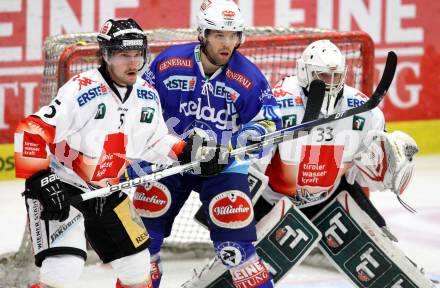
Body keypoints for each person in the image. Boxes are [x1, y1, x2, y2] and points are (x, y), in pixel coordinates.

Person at [14, 18, 226, 288]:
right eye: (124, 54)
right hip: (61, 187)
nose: (133, 62)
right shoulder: (81, 91)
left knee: (138, 267)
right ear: (105, 55)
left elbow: (157, 140)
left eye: (138, 54)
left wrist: (190, 153)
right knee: (64, 268)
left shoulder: (147, 95)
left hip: (106, 191)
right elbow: (31, 129)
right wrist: (40, 178)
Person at [132, 0, 281, 287]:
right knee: (141, 245)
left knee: (236, 251)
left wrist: (236, 146)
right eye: (218, 35)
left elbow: (268, 122)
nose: (227, 43)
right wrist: (151, 151)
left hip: (224, 167)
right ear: (202, 34)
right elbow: (142, 109)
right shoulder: (169, 63)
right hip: (172, 160)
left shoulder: (249, 78)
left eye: (233, 35)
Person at [253, 39, 418, 234]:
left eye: (336, 76)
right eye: (322, 76)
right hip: (272, 199)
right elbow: (253, 166)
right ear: (305, 73)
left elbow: (364, 177)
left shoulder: (366, 112)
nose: (330, 84)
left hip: (330, 198)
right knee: (240, 248)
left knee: (380, 238)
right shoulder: (278, 104)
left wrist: (388, 165)